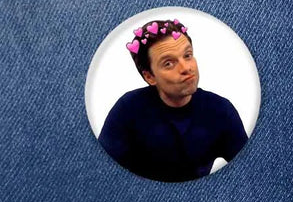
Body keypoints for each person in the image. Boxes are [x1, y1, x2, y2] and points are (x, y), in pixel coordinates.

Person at [98, 19, 248, 181]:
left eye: (187, 55)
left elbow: (251, 170)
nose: (186, 68)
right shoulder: (128, 110)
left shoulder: (220, 110)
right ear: (149, 77)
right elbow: (100, 172)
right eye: (168, 63)